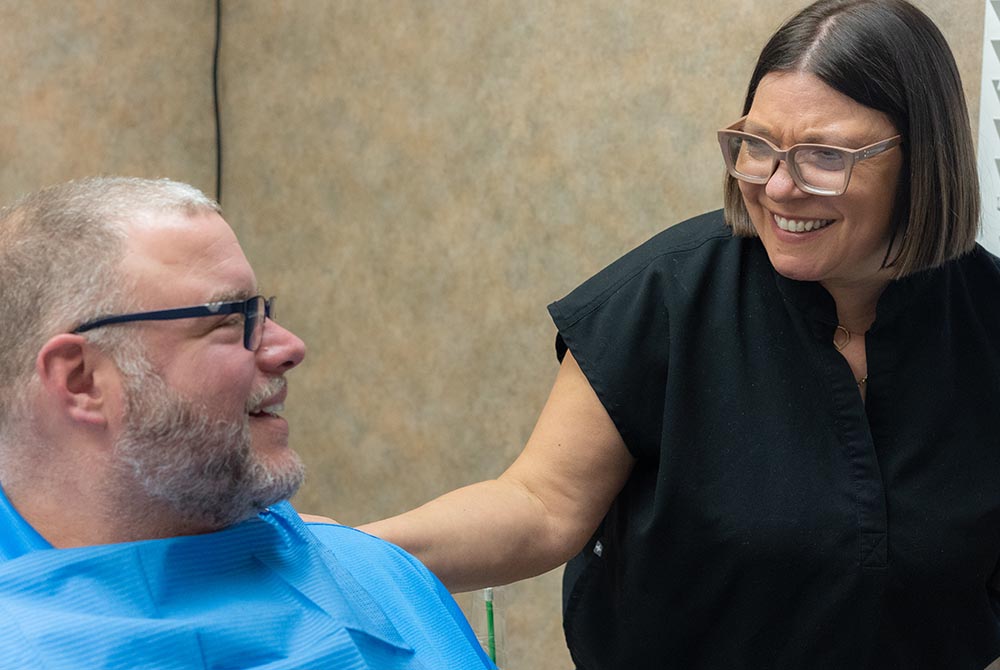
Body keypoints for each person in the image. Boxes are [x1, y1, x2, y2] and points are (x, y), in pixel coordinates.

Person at [360, 1, 1000, 667]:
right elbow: (540, 506)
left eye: (822, 156)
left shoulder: (986, 323)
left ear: (926, 157)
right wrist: (348, 553)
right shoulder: (666, 300)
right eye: (756, 146)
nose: (779, 187)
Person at [0, 177, 496, 669]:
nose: (290, 348)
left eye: (260, 311)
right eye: (228, 319)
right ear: (83, 379)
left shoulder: (379, 575)